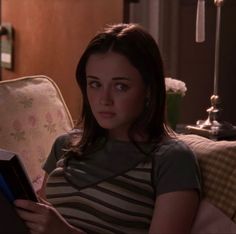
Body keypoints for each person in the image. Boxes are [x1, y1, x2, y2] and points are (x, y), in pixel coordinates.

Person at [14, 23, 201, 234]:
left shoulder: (172, 159)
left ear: (149, 90)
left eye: (120, 86)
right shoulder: (65, 145)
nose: (104, 100)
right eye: (95, 84)